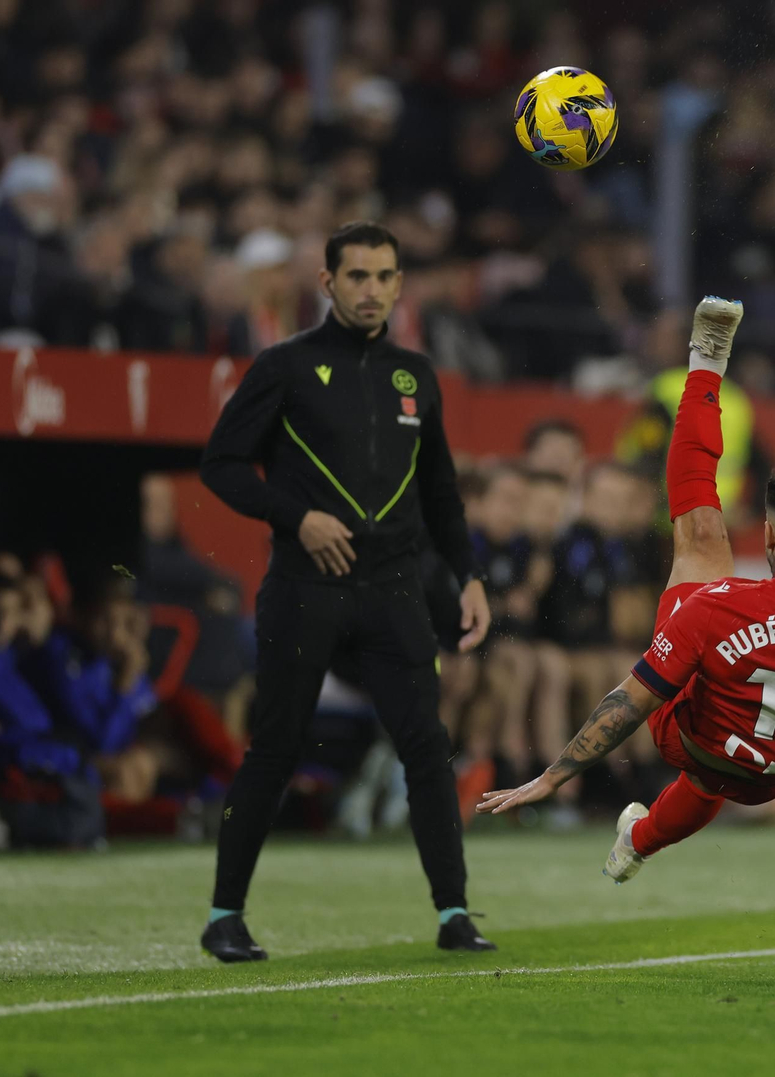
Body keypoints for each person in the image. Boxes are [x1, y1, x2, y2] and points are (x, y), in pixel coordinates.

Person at [477, 298, 775, 881]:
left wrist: (553, 776)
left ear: (766, 534)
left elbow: (628, 704)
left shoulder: (713, 607)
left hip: (692, 744)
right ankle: (638, 840)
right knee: (719, 749)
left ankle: (705, 363)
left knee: (698, 534)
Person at [197, 221, 494, 962]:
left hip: (393, 589)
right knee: (275, 747)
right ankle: (223, 914)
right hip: (307, 586)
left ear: (400, 285)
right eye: (356, 276)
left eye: (384, 276)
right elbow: (222, 464)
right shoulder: (284, 367)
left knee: (426, 746)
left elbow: (440, 492)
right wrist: (297, 517)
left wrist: (471, 575)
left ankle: (455, 912)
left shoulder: (415, 376)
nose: (370, 290)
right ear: (325, 283)